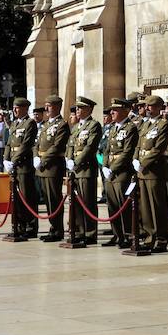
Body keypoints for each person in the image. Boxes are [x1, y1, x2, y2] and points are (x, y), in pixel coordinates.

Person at [135, 95, 168, 251]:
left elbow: (158, 149)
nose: (147, 109)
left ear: (158, 107)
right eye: (146, 106)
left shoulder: (163, 125)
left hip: (154, 170)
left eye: (150, 106)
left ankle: (161, 239)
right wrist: (135, 159)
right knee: (145, 208)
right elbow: (138, 145)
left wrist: (143, 163)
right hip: (142, 172)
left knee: (157, 206)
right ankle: (150, 237)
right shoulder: (145, 125)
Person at [64, 96, 101, 247]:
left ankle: (90, 233)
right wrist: (68, 160)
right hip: (74, 170)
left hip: (85, 169)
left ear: (89, 109)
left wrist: (76, 162)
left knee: (88, 202)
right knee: (77, 204)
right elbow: (70, 146)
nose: (77, 110)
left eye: (81, 108)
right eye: (77, 108)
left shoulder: (94, 125)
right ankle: (79, 231)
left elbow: (90, 148)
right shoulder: (76, 127)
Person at [101, 99, 139, 247]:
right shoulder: (112, 128)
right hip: (109, 171)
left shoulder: (130, 128)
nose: (111, 113)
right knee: (112, 206)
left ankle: (127, 235)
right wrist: (104, 166)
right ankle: (117, 234)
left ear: (125, 111)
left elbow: (127, 152)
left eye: (115, 110)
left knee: (123, 205)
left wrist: (113, 168)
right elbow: (106, 150)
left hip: (121, 172)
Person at [2, 98, 39, 241]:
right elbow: (8, 143)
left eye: (17, 108)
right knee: (16, 198)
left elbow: (26, 144)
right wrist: (5, 159)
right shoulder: (15, 124)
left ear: (25, 108)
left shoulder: (30, 123)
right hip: (14, 166)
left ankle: (30, 227)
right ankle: (18, 225)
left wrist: (14, 160)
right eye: (14, 108)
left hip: (23, 165)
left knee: (26, 197)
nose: (15, 110)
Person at [35, 96, 70, 242]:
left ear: (57, 107)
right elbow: (37, 143)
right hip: (42, 166)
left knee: (54, 199)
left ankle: (57, 230)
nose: (46, 109)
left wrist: (42, 161)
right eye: (46, 105)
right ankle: (52, 228)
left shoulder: (62, 124)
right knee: (47, 200)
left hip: (52, 166)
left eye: (49, 106)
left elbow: (57, 146)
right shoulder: (45, 125)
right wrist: (35, 156)